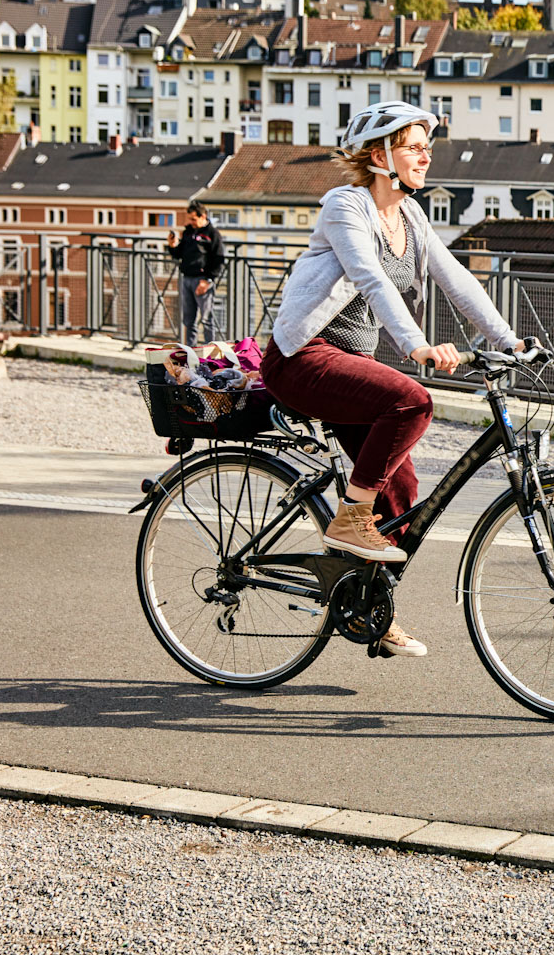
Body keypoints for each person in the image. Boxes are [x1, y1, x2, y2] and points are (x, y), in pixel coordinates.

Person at [261, 100, 533, 659]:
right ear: (379, 154)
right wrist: (417, 347)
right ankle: (350, 519)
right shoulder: (346, 205)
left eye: (427, 147)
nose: (425, 156)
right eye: (413, 146)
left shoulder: (412, 219)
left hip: (348, 370)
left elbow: (460, 283)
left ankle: (367, 610)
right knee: (412, 401)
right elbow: (371, 278)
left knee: (405, 493)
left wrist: (510, 341)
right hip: (302, 359)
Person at [168, 202, 224, 345]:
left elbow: (218, 259)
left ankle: (210, 352)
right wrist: (172, 245)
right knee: (189, 319)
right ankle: (190, 350)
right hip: (186, 278)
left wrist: (208, 280)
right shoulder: (188, 232)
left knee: (206, 319)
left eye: (193, 219)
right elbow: (179, 254)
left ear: (203, 216)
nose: (191, 222)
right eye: (190, 219)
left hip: (202, 280)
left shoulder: (213, 234)